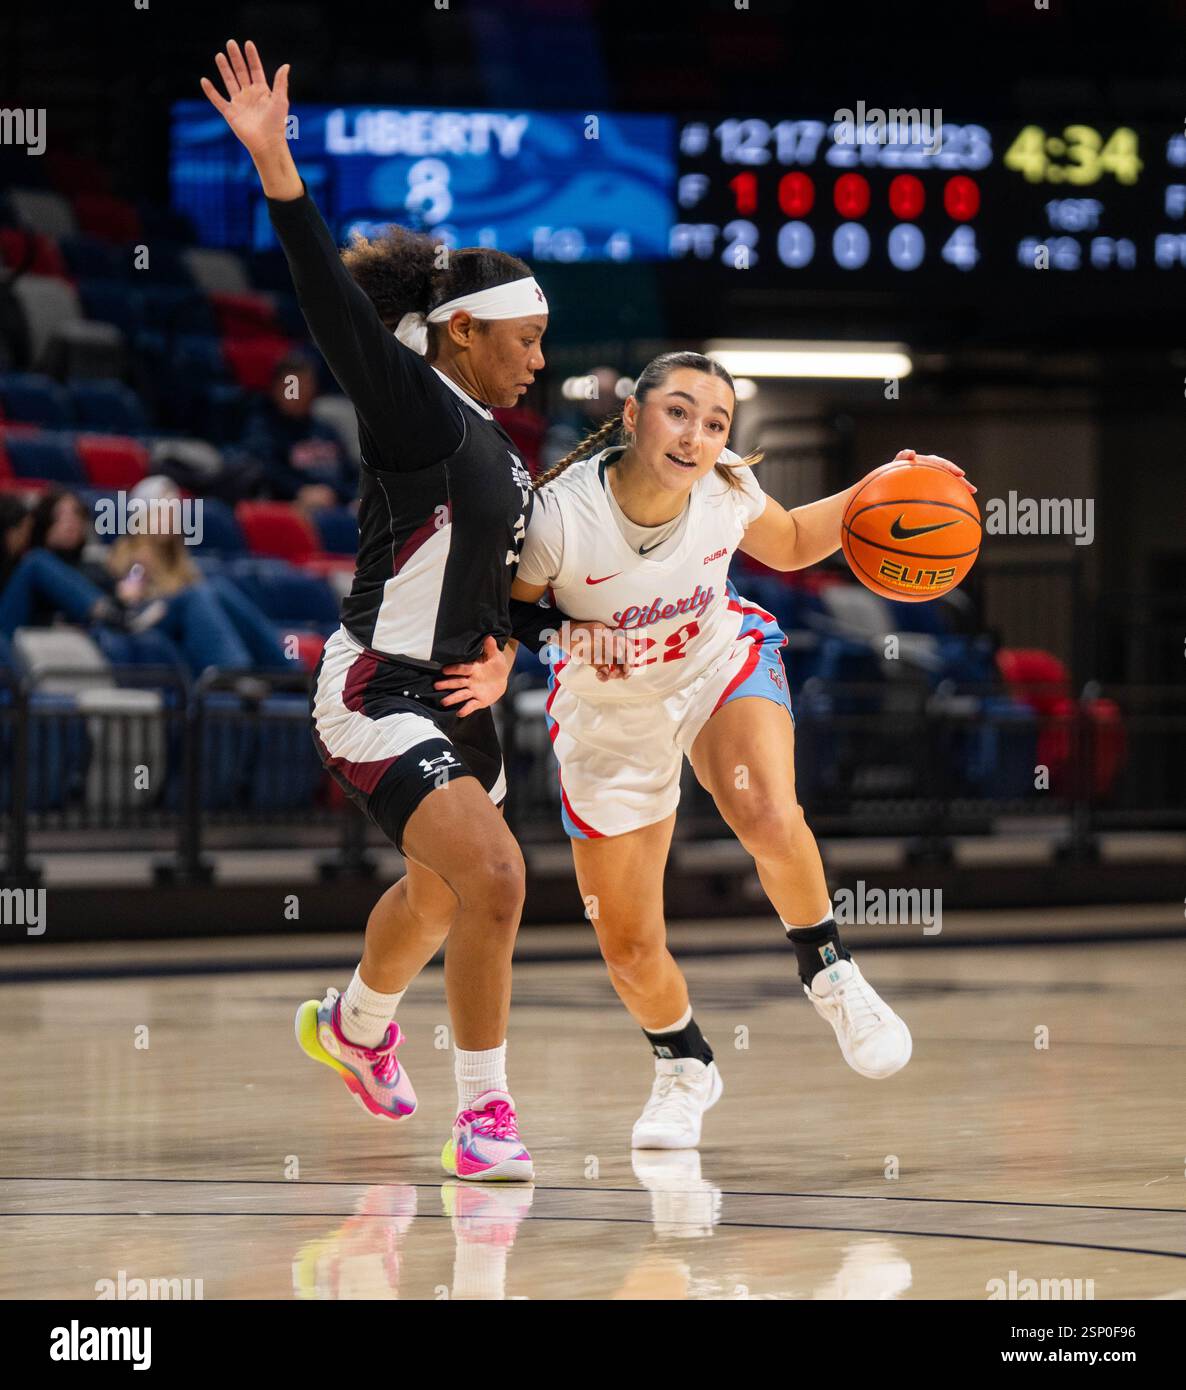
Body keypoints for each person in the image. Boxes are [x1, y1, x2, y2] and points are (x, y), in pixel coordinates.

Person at [201, 40, 616, 1181]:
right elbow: (331, 306)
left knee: (437, 896)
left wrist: (516, 655)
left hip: (456, 701)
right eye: (525, 339)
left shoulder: (499, 451)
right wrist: (277, 166)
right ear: (464, 331)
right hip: (375, 687)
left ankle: (354, 1025)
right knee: (495, 877)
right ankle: (484, 1117)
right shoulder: (415, 406)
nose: (539, 360)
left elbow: (511, 603)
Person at [487, 351, 974, 1149]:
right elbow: (509, 613)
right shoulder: (560, 516)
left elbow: (786, 544)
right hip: (608, 707)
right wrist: (570, 633)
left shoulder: (726, 490)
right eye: (679, 413)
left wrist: (883, 485)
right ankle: (684, 1064)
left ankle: (829, 969)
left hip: (715, 662)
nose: (696, 435)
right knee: (630, 945)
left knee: (765, 808)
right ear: (636, 417)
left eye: (716, 423)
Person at [239, 350, 356, 509]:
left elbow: (351, 473)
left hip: (338, 506)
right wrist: (299, 490)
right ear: (275, 389)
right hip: (292, 508)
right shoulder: (264, 429)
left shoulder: (325, 429)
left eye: (307, 384)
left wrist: (349, 496)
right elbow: (265, 469)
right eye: (292, 386)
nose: (300, 392)